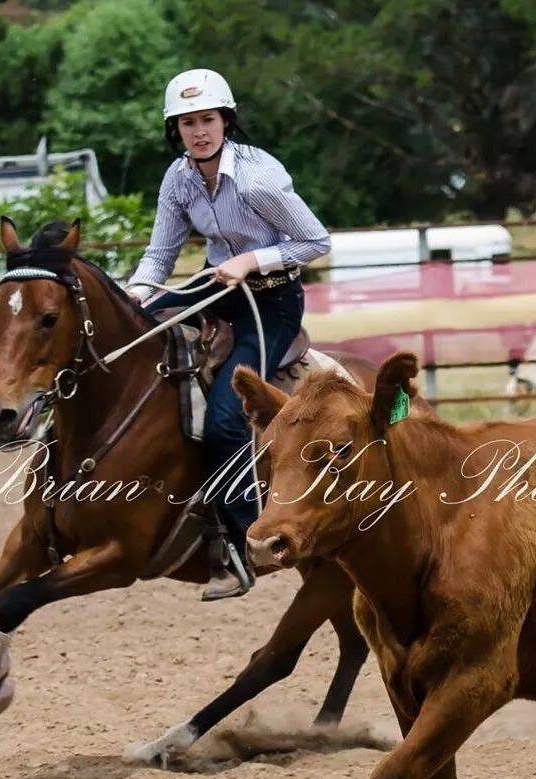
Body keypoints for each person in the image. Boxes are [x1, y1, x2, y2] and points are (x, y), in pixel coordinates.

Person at [125, 68, 330, 600]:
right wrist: (138, 293)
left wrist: (251, 259)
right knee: (136, 330)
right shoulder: (178, 178)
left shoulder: (260, 177)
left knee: (223, 418)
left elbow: (314, 241)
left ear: (226, 122)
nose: (199, 131)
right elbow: (161, 252)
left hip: (274, 298)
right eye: (188, 123)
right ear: (176, 131)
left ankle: (242, 544)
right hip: (219, 289)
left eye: (208, 120)